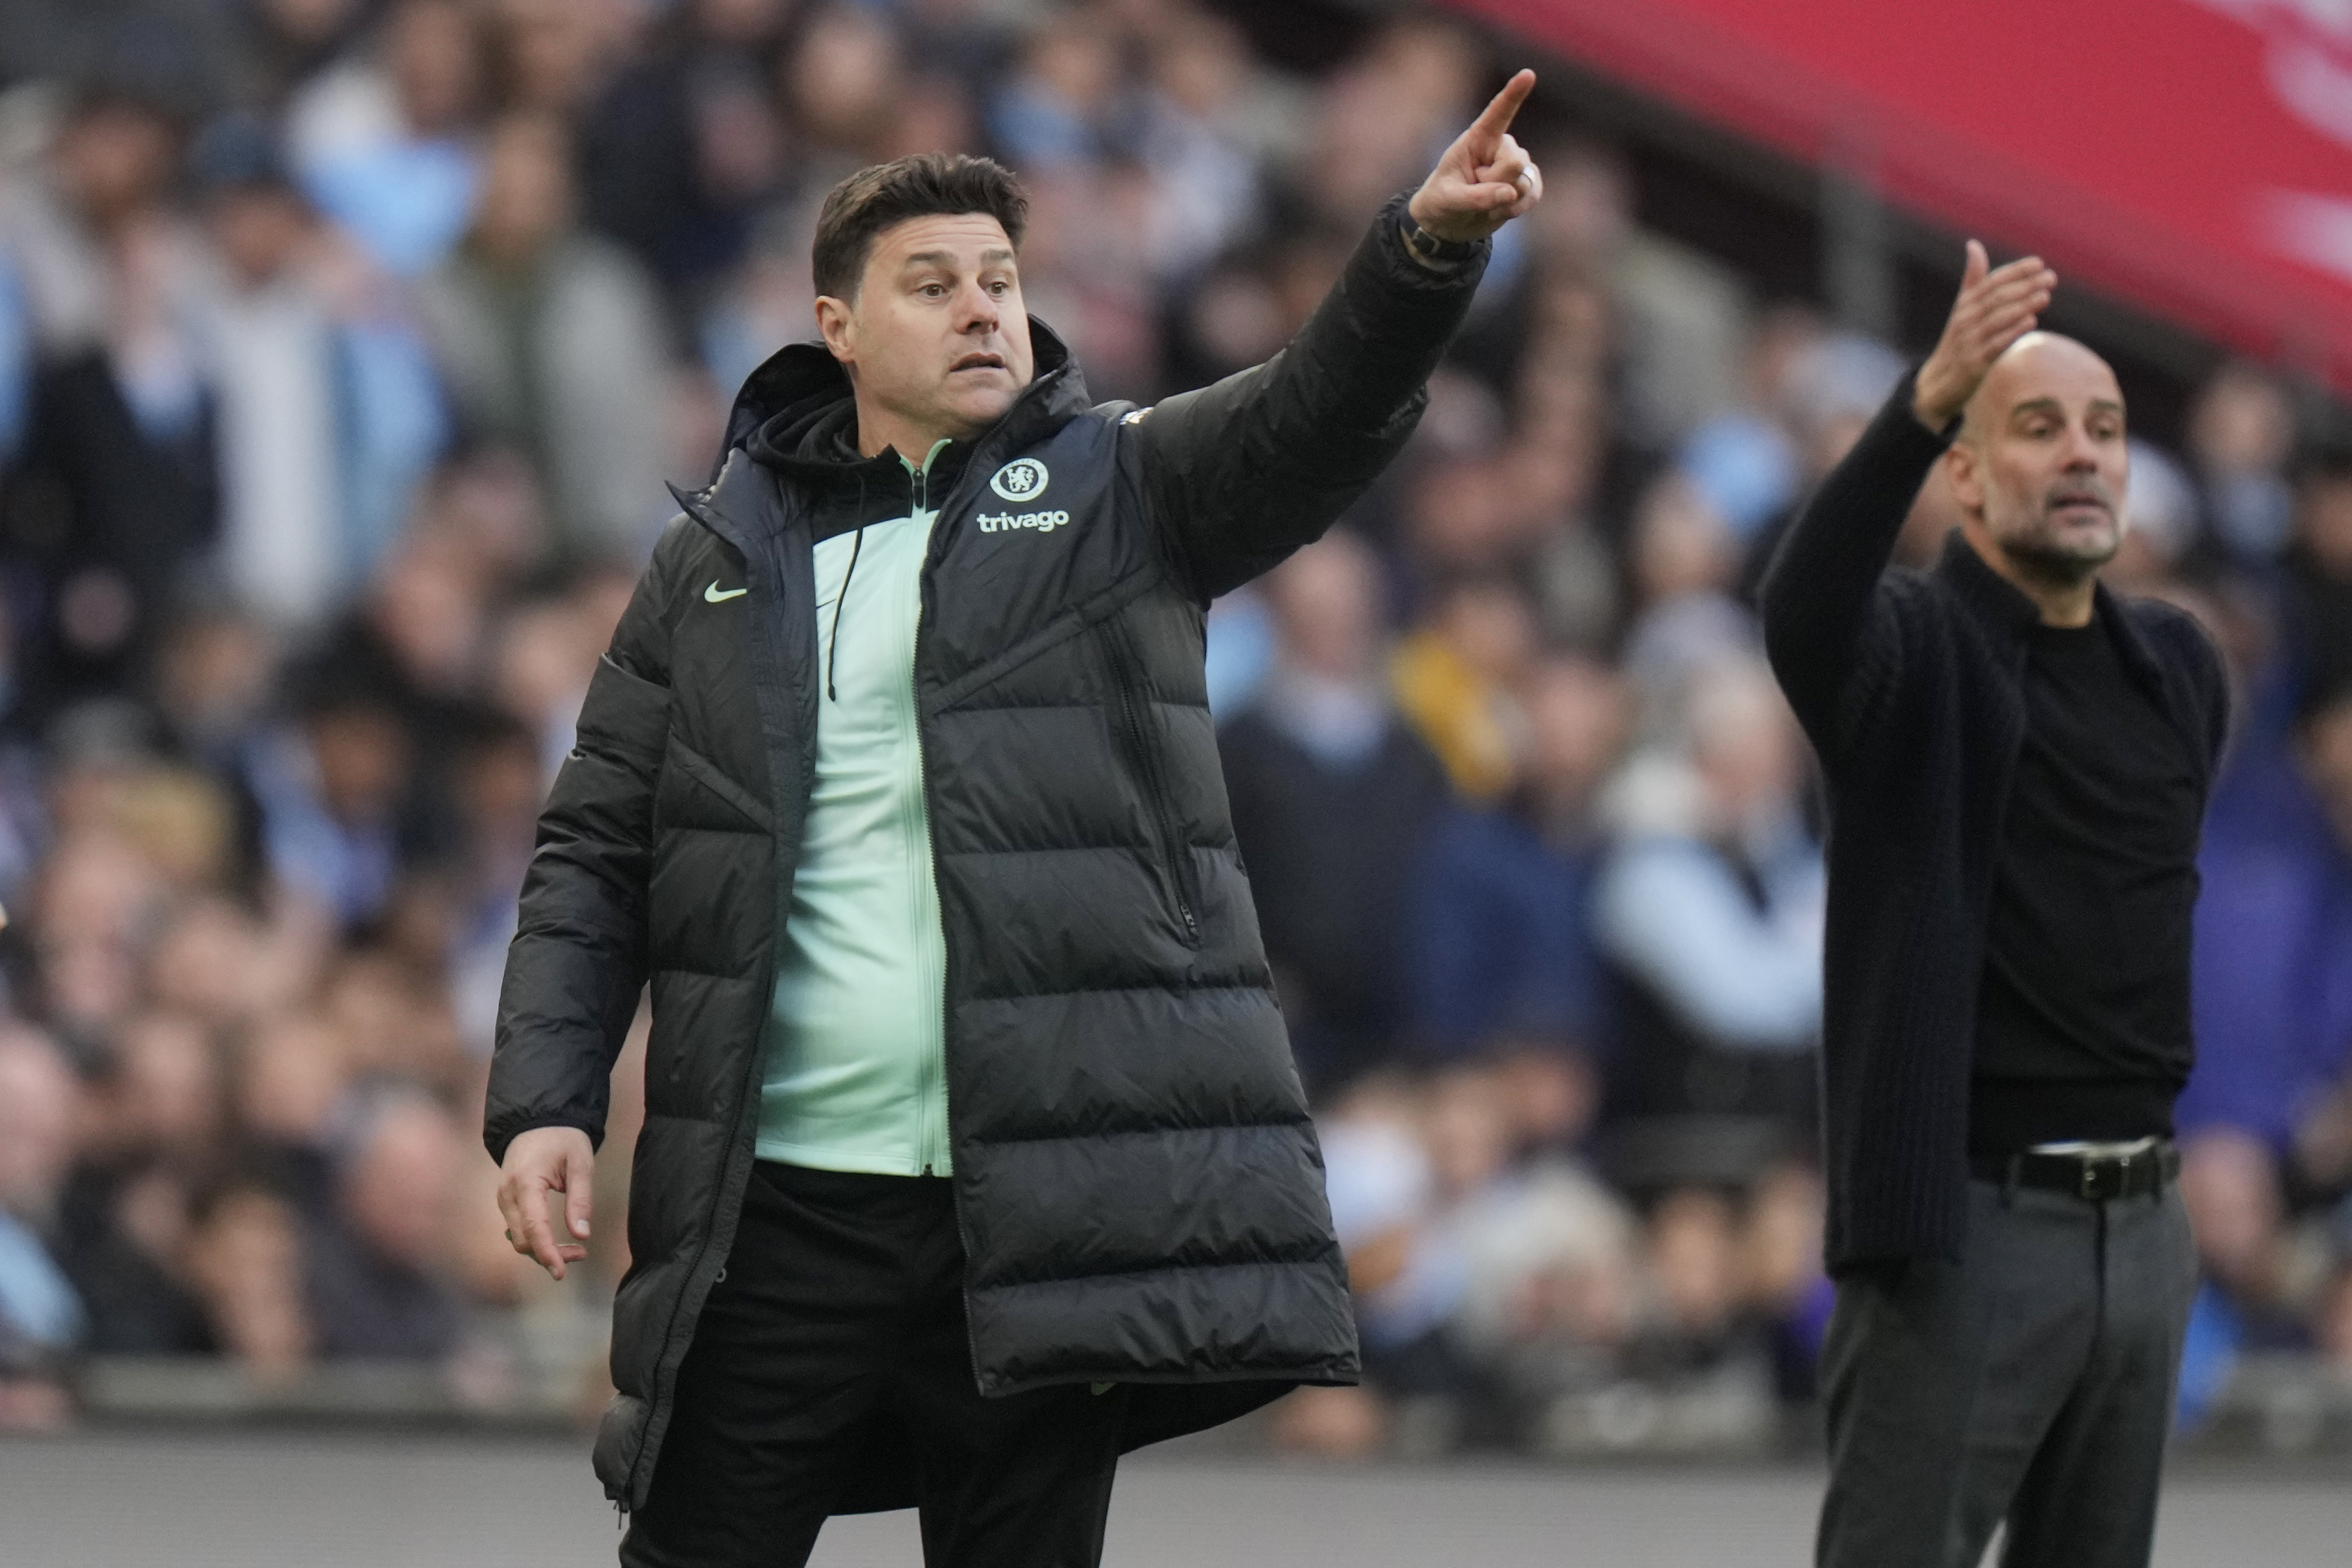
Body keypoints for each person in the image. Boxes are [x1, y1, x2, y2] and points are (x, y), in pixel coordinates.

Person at [485, 70, 1546, 1568]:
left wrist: (1421, 251)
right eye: (931, 284)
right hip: (776, 1211)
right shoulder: (709, 566)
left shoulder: (1117, 486)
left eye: (999, 278)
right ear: (835, 325)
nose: (982, 307)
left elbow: (1315, 413)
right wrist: (545, 1098)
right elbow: (594, 849)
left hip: (1036, 1222)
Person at [1759, 244, 2229, 1567]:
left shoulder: (2178, 669)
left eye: (2106, 430)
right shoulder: (1912, 652)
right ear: (1962, 473)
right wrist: (1920, 401)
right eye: (2036, 427)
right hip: (1966, 1234)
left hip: (2145, 1235)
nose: (2081, 454)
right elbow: (1801, 613)